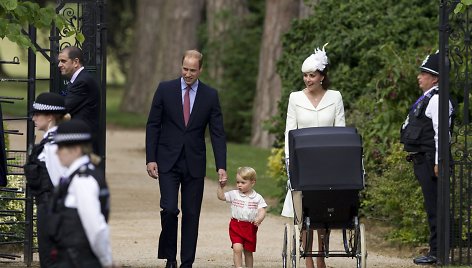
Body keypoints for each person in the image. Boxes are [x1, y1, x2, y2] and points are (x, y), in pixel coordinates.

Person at [145, 49, 228, 268]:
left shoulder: (210, 96)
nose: (188, 74)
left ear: (201, 70)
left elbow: (217, 133)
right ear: (180, 66)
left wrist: (221, 165)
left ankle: (187, 263)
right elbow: (153, 124)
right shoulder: (165, 89)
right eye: (185, 69)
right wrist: (151, 158)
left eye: (192, 70)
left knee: (192, 214)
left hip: (194, 162)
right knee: (170, 209)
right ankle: (170, 258)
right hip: (167, 160)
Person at [282, 44, 345, 268]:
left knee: (324, 210)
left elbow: (341, 130)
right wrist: (289, 160)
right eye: (305, 76)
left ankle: (321, 254)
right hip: (303, 160)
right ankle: (307, 254)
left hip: (328, 160)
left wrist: (340, 160)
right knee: (305, 209)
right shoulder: (295, 98)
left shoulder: (335, 97)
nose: (308, 79)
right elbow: (290, 130)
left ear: (322, 76)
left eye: (312, 75)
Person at [400, 51, 453, 265]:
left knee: (436, 207)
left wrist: (440, 161)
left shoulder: (438, 99)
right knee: (432, 206)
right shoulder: (428, 98)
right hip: (423, 159)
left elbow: (442, 132)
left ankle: (439, 253)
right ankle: (436, 250)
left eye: (424, 73)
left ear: (435, 78)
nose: (419, 77)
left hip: (431, 160)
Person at [48, 120, 114, 268]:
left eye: (61, 147)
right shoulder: (75, 176)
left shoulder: (82, 181)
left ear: (76, 150)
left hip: (79, 260)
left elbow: (95, 228)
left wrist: (107, 262)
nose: (57, 152)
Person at [24, 92, 69, 267]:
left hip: (53, 210)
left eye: (37, 114)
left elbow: (62, 181)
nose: (33, 117)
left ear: (50, 116)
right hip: (49, 208)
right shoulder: (50, 141)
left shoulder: (53, 145)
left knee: (51, 260)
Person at [217, 167, 267, 268]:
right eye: (238, 182)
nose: (239, 185)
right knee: (237, 248)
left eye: (243, 182)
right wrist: (221, 187)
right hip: (236, 225)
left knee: (248, 251)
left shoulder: (257, 197)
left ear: (252, 182)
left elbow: (262, 210)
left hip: (250, 227)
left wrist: (260, 218)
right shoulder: (234, 194)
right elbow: (221, 197)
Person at [58, 46, 100, 153]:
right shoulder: (81, 79)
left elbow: (65, 107)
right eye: (59, 61)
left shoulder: (82, 82)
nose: (59, 65)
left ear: (75, 62)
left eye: (63, 61)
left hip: (83, 141)